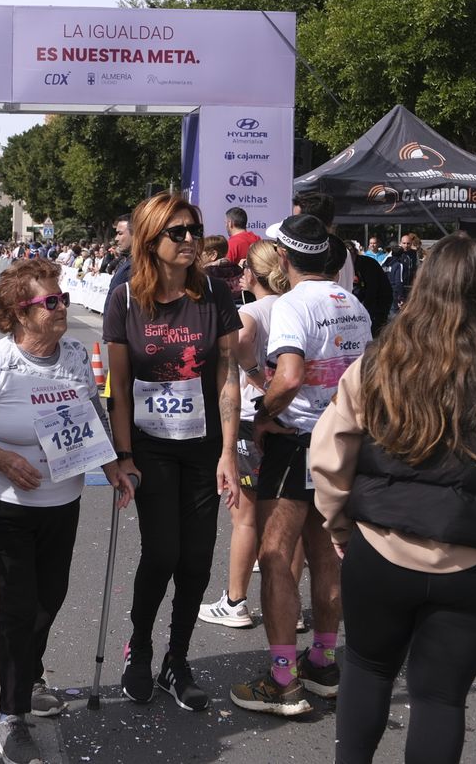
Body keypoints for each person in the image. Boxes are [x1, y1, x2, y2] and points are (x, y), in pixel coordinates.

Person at [311, 234, 476, 763]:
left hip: (381, 545)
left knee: (367, 669)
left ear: (424, 288)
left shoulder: (380, 362)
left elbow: (330, 458)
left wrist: (340, 528)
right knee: (440, 696)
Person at [0, 257, 114, 764]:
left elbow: (95, 419)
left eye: (61, 298)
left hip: (63, 501)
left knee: (51, 597)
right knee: (19, 606)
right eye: (51, 302)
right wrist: (0, 457)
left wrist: (116, 464)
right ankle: (10, 718)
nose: (62, 307)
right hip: (6, 506)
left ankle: (28, 675)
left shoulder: (77, 356)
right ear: (20, 312)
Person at [103, 191, 241, 712]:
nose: (190, 241)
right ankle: (139, 647)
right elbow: (117, 384)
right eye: (177, 232)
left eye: (194, 230)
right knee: (162, 551)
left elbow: (227, 374)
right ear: (150, 240)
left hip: (204, 445)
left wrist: (229, 451)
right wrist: (123, 455)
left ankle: (176, 658)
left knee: (198, 557)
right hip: (151, 447)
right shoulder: (124, 300)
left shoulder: (214, 295)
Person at [228, 216, 371, 717]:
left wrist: (263, 416)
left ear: (285, 259)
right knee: (326, 554)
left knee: (273, 554)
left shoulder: (292, 304)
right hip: (342, 442)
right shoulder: (351, 302)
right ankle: (324, 662)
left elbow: (287, 376)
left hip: (297, 441)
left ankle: (282, 679)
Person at [200, 239, 289, 631]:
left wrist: (257, 377)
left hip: (254, 416)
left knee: (245, 518)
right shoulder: (293, 307)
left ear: (250, 273)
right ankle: (289, 602)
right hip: (289, 419)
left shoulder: (249, 313)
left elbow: (233, 358)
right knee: (287, 515)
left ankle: (235, 599)